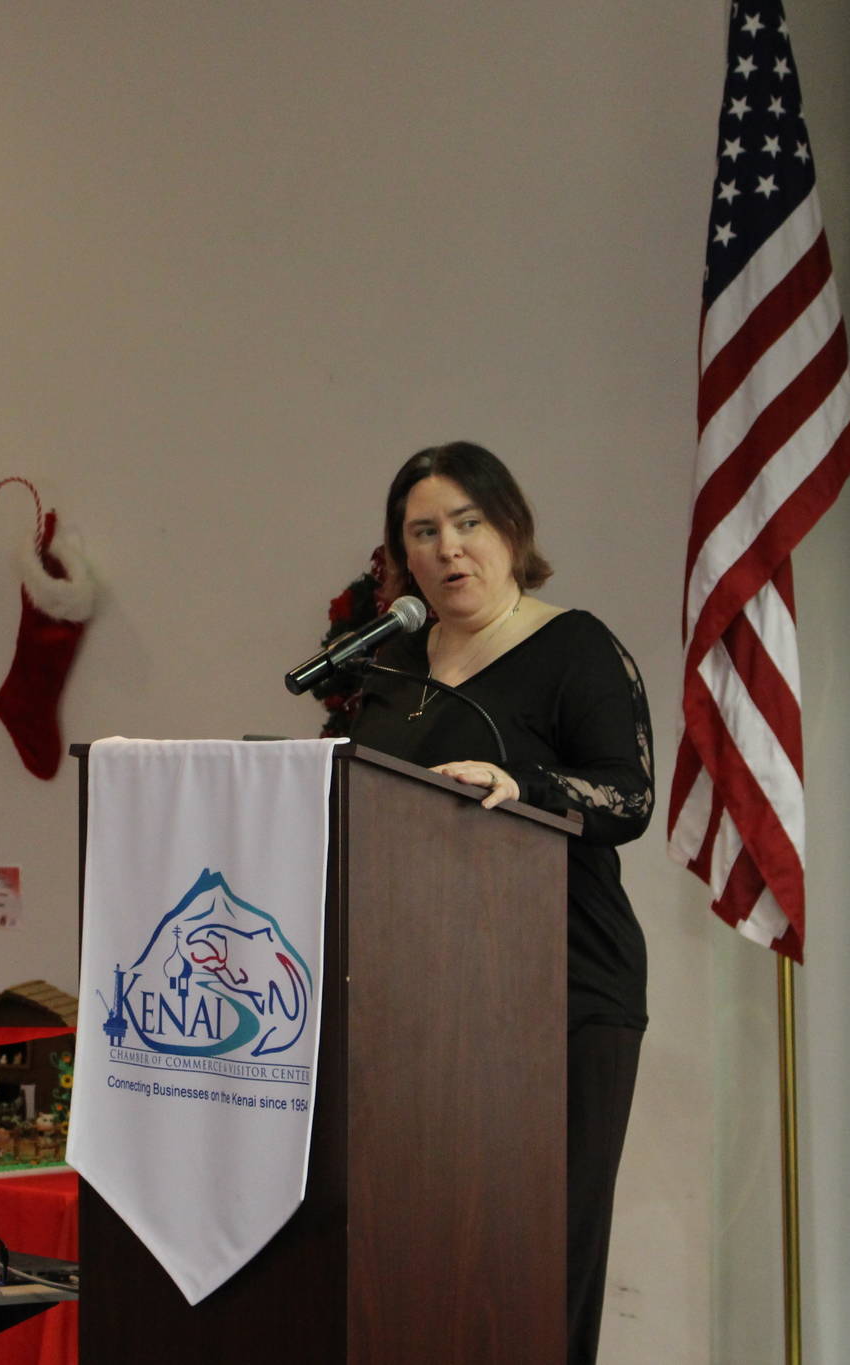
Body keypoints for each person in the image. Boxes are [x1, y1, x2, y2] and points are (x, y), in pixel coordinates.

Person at [346, 440, 652, 1365]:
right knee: (435, 1253)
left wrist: (519, 782)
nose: (450, 549)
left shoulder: (576, 644)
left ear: (511, 529)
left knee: (542, 1255)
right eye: (424, 532)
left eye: (468, 523)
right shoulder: (394, 666)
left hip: (565, 992)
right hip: (428, 1001)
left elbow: (628, 797)